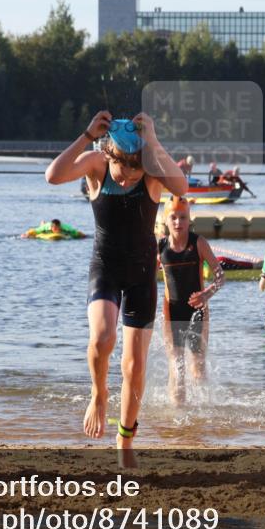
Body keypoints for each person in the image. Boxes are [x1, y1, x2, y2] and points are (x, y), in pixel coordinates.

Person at [45, 110, 187, 451]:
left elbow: (182, 188)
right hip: (105, 268)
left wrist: (153, 141)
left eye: (135, 170)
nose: (127, 178)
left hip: (141, 276)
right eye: (123, 170)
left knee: (134, 366)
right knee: (103, 337)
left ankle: (125, 440)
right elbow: (53, 175)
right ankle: (98, 393)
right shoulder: (96, 164)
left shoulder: (152, 171)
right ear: (110, 156)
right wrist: (86, 135)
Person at [158, 195, 224, 405]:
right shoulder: (160, 246)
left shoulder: (198, 243)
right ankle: (178, 412)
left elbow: (220, 276)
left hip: (198, 313)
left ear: (189, 219)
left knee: (198, 366)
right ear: (166, 220)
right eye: (173, 217)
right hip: (171, 312)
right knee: (176, 366)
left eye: (183, 217)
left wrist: (208, 293)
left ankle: (201, 412)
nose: (178, 222)